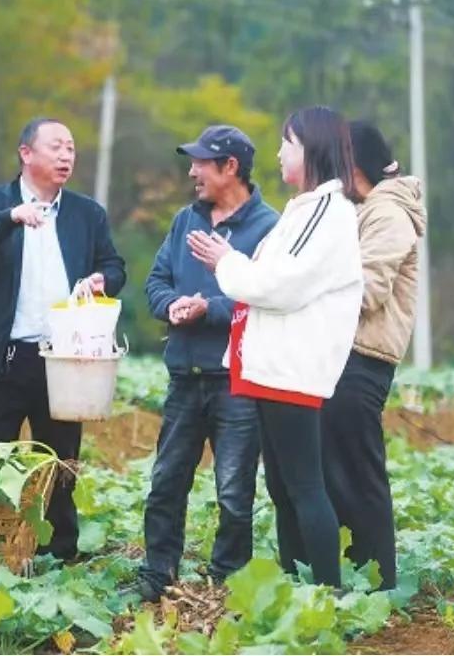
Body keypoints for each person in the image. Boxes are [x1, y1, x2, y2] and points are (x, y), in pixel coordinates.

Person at [188, 105, 363, 587]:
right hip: (273, 366)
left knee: (305, 487)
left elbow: (280, 285)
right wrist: (234, 264)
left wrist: (226, 260)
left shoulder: (328, 211)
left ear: (312, 149)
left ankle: (325, 595)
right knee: (284, 488)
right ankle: (296, 585)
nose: (279, 153)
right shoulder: (305, 209)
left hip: (292, 367)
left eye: (287, 143)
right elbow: (268, 277)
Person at [0, 117, 126, 560]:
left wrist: (105, 279)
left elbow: (115, 265)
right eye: (56, 147)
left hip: (64, 361)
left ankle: (59, 554)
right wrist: (9, 219)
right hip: (3, 358)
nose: (67, 155)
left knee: (60, 463)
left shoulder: (87, 213)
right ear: (26, 153)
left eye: (71, 148)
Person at [138, 125, 279, 600]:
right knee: (166, 482)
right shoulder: (185, 221)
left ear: (230, 167)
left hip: (237, 381)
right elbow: (156, 280)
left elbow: (268, 298)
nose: (192, 171)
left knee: (235, 494)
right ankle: (157, 574)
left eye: (202, 162)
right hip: (184, 376)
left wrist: (209, 309)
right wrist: (171, 305)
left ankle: (228, 581)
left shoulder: (269, 228)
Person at [319, 121, 425, 590]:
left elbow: (368, 288)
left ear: (352, 163)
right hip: (347, 355)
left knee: (360, 474)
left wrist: (308, 286)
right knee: (340, 473)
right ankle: (360, 575)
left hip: (365, 358)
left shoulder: (388, 214)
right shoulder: (368, 209)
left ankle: (380, 581)